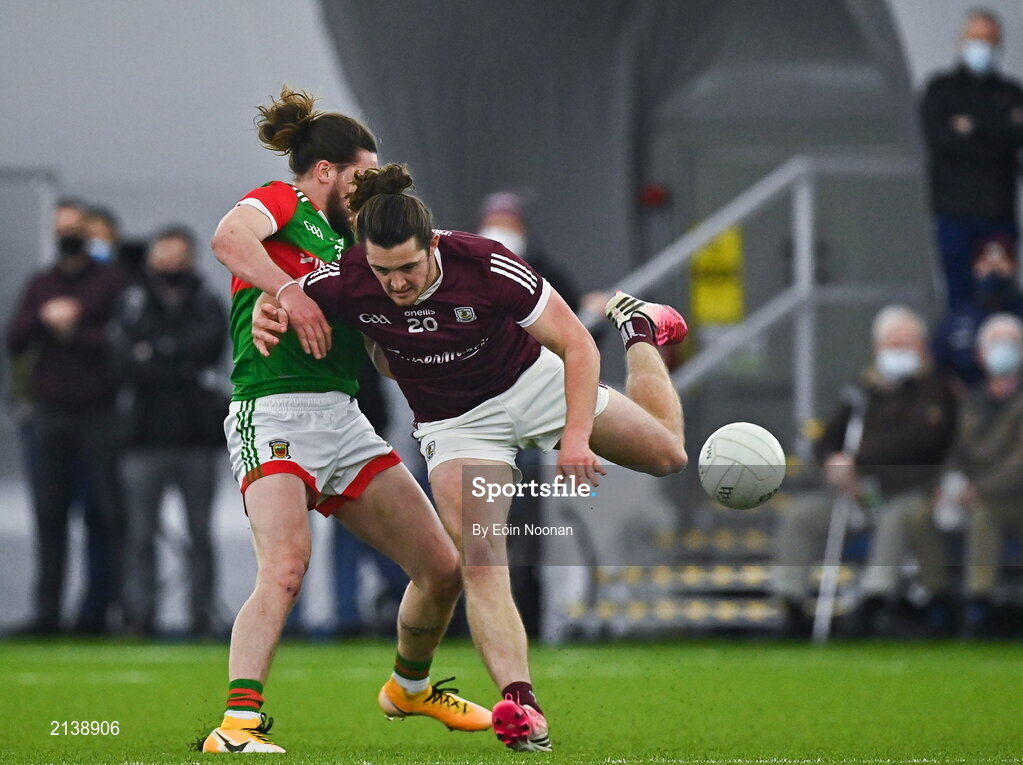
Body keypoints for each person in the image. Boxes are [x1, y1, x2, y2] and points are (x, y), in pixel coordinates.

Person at [256, 163, 689, 751]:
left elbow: (578, 344)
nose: (397, 284)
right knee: (480, 559)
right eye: (384, 271)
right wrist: (271, 306)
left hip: (534, 383)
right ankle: (522, 705)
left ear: (432, 246)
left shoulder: (483, 263)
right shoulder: (350, 278)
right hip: (457, 426)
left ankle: (641, 330)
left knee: (667, 455)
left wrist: (578, 437)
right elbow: (282, 294)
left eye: (408, 267)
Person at [202, 88, 488, 754]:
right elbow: (226, 238)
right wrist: (286, 294)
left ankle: (409, 688)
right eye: (360, 175)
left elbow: (382, 359)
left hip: (344, 419)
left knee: (442, 568)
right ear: (324, 171)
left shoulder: (358, 245)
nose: (367, 190)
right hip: (270, 410)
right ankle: (236, 727)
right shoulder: (282, 201)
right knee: (284, 567)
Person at [771, 306, 958, 637]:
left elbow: (922, 444)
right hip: (858, 495)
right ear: (877, 350)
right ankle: (790, 602)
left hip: (910, 494)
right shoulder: (862, 391)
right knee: (801, 514)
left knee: (895, 516)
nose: (897, 352)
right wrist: (833, 463)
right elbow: (826, 440)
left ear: (922, 348)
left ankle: (875, 601)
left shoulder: (937, 391)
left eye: (906, 344)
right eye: (891, 345)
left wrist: (859, 464)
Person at [108, 226, 228, 638]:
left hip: (197, 437)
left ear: (190, 258)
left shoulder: (207, 300)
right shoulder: (132, 301)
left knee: (200, 533)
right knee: (139, 534)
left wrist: (157, 351)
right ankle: (139, 615)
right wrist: (178, 358)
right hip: (142, 437)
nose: (171, 262)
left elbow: (210, 347)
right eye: (164, 254)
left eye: (178, 254)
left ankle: (202, 613)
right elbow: (123, 360)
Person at [5, 229, 125, 635]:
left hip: (98, 414)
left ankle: (98, 612)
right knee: (49, 515)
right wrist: (44, 318)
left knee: (104, 515)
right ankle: (47, 613)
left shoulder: (109, 282)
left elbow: (120, 342)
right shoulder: (41, 284)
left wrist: (75, 329)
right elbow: (15, 339)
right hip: (50, 414)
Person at [921, 8, 1023, 309]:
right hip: (954, 212)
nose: (983, 47)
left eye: (990, 39)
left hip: (998, 214)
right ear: (961, 41)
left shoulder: (1011, 92)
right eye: (976, 38)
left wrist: (972, 128)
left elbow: (1014, 138)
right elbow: (941, 140)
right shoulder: (941, 90)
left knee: (999, 293)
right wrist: (998, 130)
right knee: (959, 296)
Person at [939, 313, 1023, 636]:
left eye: (1010, 344)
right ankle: (973, 605)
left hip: (1011, 494)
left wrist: (980, 488)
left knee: (984, 509)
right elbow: (956, 450)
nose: (1002, 351)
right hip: (984, 498)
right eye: (995, 344)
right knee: (976, 514)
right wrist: (951, 483)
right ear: (980, 354)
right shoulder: (971, 400)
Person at [933, 236, 1023, 388]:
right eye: (986, 263)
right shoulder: (958, 317)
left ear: (1014, 266)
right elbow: (940, 362)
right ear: (975, 267)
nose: (994, 270)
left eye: (1001, 263)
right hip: (972, 396)